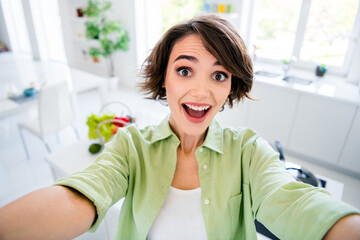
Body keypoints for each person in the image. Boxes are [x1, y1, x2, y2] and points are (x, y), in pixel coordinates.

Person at [0, 14, 359, 240]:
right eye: (185, 70)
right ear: (165, 80)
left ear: (229, 88)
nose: (201, 91)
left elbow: (296, 204)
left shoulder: (248, 150)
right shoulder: (131, 146)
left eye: (219, 75)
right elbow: (82, 195)